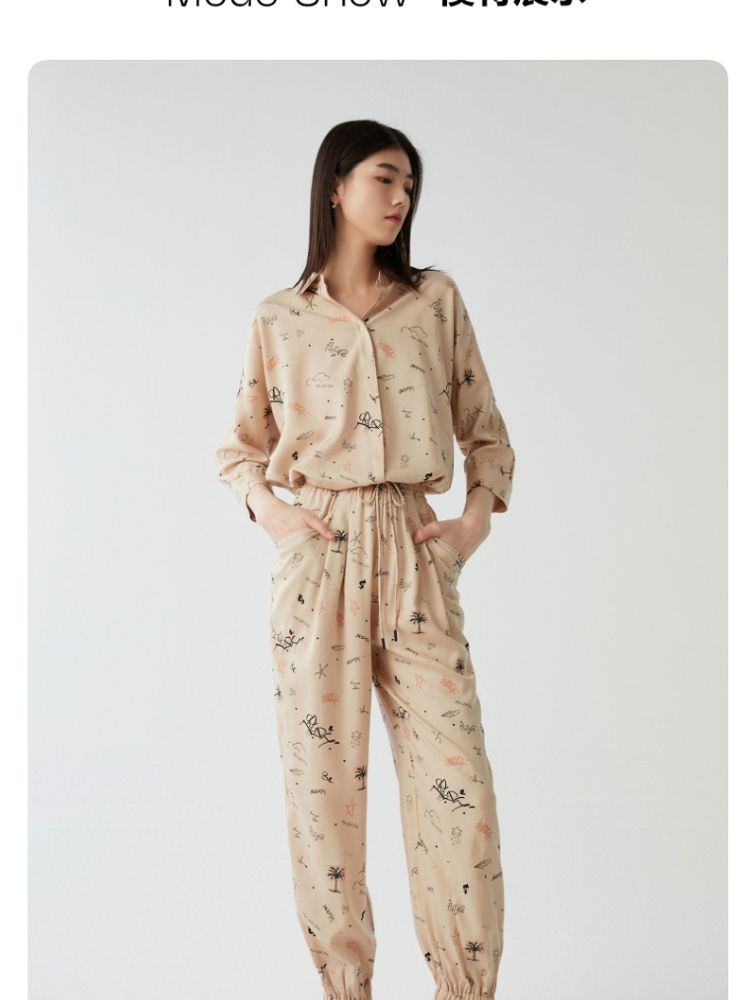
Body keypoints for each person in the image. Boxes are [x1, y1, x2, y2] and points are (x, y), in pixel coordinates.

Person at [215, 119, 516, 1000]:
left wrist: (472, 525)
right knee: (324, 799)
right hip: (321, 557)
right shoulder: (280, 317)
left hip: (417, 550)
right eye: (386, 178)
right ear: (336, 186)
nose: (401, 198)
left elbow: (487, 433)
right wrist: (276, 515)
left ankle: (465, 989)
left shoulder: (435, 301)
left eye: (410, 185)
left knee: (459, 790)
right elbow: (238, 449)